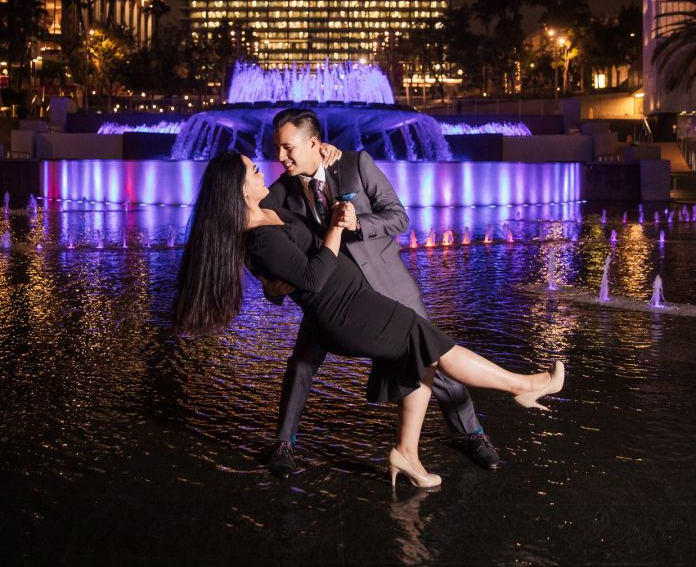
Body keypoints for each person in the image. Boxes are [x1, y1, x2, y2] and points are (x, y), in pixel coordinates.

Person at [173, 151, 565, 489]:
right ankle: (522, 385)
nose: (264, 171)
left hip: (357, 300)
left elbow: (290, 231)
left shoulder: (267, 208)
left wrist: (321, 154)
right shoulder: (258, 235)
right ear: (239, 189)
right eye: (253, 171)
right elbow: (311, 277)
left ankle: (406, 454)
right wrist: (336, 228)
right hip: (345, 312)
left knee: (420, 356)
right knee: (432, 346)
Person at [259, 108, 501, 479]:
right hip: (331, 297)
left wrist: (358, 223)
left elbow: (398, 217)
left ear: (313, 143)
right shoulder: (278, 195)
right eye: (277, 148)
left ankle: (472, 433)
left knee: (431, 353)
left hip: (386, 285)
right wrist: (269, 285)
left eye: (288, 148)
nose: (281, 158)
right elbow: (258, 246)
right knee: (303, 363)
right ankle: (284, 442)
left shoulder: (355, 164)